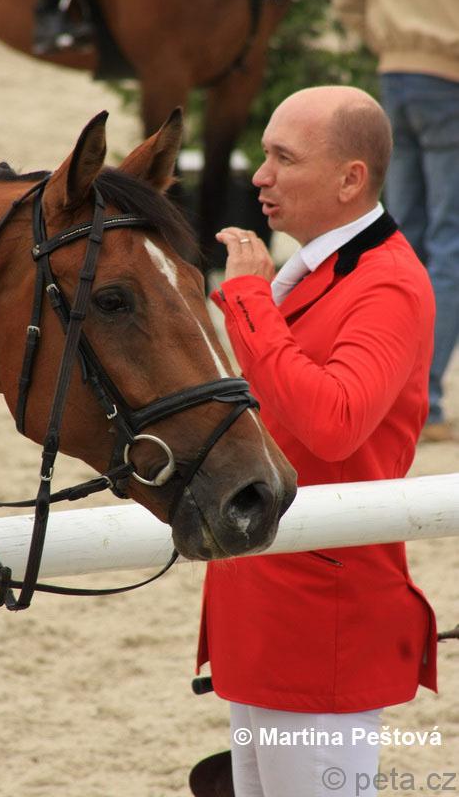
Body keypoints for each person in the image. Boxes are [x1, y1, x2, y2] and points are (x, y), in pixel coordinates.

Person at [192, 85, 437, 797]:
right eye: (264, 154)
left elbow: (333, 423)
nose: (260, 176)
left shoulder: (387, 285)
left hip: (322, 608)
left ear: (350, 178)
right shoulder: (316, 269)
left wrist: (247, 300)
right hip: (270, 591)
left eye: (284, 158)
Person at [332, 0, 459, 442]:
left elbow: (346, 3)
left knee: (396, 242)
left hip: (396, 73)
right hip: (450, 78)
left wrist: (389, 42)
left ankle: (386, 397)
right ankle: (424, 402)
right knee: (450, 245)